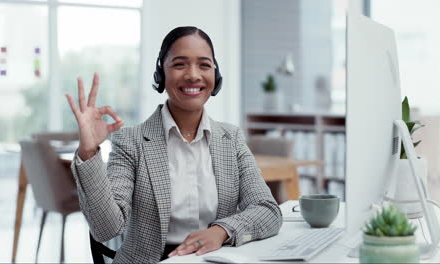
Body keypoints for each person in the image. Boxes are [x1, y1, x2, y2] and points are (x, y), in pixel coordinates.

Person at [65, 26, 282, 262]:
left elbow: (267, 209)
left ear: (215, 76)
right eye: (180, 64)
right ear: (161, 74)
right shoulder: (131, 141)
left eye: (204, 65)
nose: (193, 75)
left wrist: (220, 231)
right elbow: (107, 229)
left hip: (214, 258)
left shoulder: (231, 139)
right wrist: (88, 152)